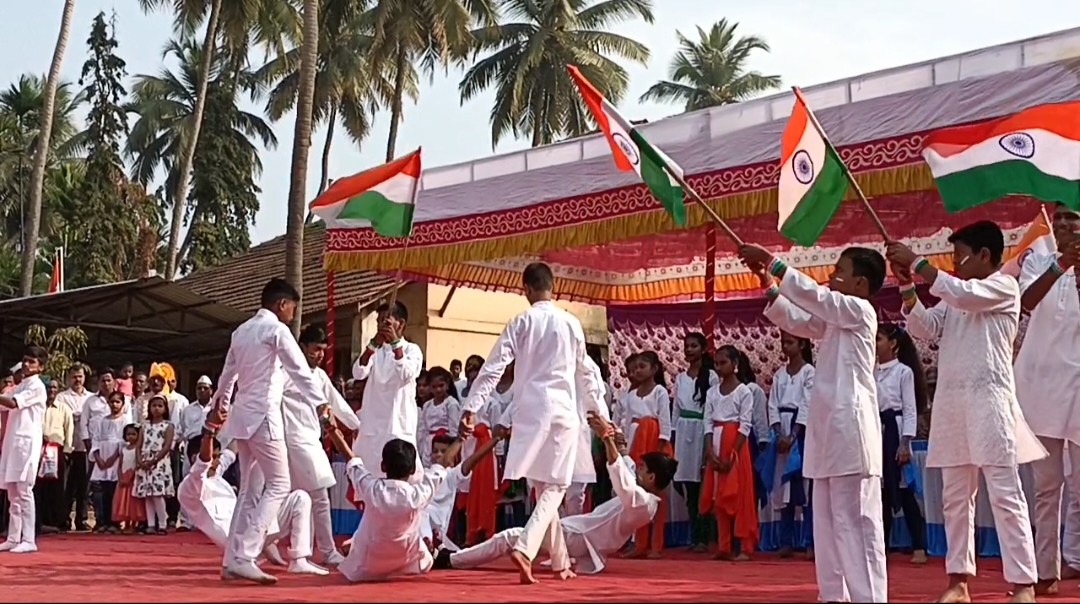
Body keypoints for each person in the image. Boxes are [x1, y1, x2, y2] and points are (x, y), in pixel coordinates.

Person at [888, 221, 1044, 603]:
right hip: (954, 406)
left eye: (960, 256)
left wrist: (918, 262)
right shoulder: (955, 298)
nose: (956, 263)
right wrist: (907, 285)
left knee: (1007, 495)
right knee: (956, 498)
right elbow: (926, 328)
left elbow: (960, 293)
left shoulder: (1004, 287)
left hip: (991, 404)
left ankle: (1024, 583)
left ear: (985, 256)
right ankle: (958, 580)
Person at [741, 243, 888, 603]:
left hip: (851, 432)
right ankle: (833, 596)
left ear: (861, 284)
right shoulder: (836, 319)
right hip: (826, 433)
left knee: (855, 521)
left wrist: (775, 263)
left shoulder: (859, 311)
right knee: (824, 522)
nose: (832, 276)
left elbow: (818, 299)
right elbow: (799, 320)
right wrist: (768, 283)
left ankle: (869, 598)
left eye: (840, 271)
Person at [459, 262, 607, 584]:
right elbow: (587, 373)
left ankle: (560, 562)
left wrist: (472, 406)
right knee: (555, 486)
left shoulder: (521, 321)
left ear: (525, 288)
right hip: (561, 410)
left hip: (529, 410)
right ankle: (526, 547)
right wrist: (600, 414)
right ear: (553, 288)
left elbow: (494, 366)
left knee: (544, 487)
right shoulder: (570, 323)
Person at [437, 412, 677, 575]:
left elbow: (623, 481)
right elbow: (627, 466)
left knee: (510, 537)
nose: (638, 470)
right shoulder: (643, 493)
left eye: (643, 469)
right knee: (524, 529)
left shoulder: (644, 504)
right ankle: (455, 557)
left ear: (652, 478)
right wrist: (619, 443)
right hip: (577, 534)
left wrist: (606, 439)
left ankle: (450, 560)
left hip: (579, 539)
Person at [213, 278, 330, 584]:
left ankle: (231, 559)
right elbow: (299, 370)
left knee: (250, 491)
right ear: (282, 304)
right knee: (279, 483)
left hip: (242, 417)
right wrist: (319, 403)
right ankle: (245, 555)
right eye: (292, 306)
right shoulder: (277, 330)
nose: (293, 312)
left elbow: (228, 375)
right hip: (264, 415)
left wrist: (219, 404)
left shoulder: (241, 331)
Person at [1013, 203, 1080, 594]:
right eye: (1060, 221)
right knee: (1047, 485)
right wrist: (1062, 267)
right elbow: (1026, 303)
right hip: (1041, 388)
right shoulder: (1040, 259)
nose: (1065, 226)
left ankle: (1075, 558)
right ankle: (1045, 570)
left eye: (1073, 219)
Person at [178, 405, 327, 577]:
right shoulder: (189, 487)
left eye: (217, 457)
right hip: (234, 540)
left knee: (300, 498)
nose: (217, 461)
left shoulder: (216, 474)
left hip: (253, 529)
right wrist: (210, 429)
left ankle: (299, 559)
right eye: (214, 457)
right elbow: (203, 462)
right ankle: (242, 558)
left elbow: (231, 451)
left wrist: (245, 417)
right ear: (194, 458)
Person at [284, 323, 361, 567]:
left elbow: (337, 403)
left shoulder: (319, 376)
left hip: (311, 440)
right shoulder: (286, 371)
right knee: (317, 497)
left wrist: (358, 426)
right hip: (292, 439)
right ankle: (324, 551)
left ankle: (296, 551)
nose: (319, 354)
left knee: (302, 499)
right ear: (302, 347)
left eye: (323, 350)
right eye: (315, 349)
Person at [330, 427, 447, 582]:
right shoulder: (417, 494)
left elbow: (350, 458)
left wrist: (331, 430)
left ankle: (353, 545)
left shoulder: (372, 489)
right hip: (406, 559)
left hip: (368, 566)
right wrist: (460, 438)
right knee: (426, 560)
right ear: (412, 470)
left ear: (383, 466)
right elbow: (441, 466)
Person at [350, 301, 425, 487]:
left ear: (401, 323)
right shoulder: (375, 350)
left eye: (387, 321)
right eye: (380, 321)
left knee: (401, 480)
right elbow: (358, 373)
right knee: (370, 481)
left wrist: (395, 344)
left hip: (397, 424)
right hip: (373, 426)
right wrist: (373, 345)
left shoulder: (412, 350)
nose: (382, 325)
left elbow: (405, 374)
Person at [875, 323, 929, 564]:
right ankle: (881, 546)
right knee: (881, 492)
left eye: (879, 339)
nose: (875, 344)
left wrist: (905, 442)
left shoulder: (903, 372)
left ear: (893, 343)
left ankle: (919, 545)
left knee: (904, 490)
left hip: (895, 431)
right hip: (877, 430)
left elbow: (909, 409)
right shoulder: (871, 371)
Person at [702, 345, 759, 561]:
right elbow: (707, 422)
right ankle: (724, 545)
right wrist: (709, 450)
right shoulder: (711, 392)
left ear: (735, 365)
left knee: (740, 492)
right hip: (716, 441)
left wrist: (732, 454)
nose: (718, 367)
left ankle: (745, 545)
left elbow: (745, 425)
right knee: (719, 493)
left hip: (735, 445)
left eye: (723, 363)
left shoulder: (744, 391)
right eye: (716, 363)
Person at [619, 350, 672, 559]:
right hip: (636, 443)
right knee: (637, 494)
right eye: (636, 367)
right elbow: (627, 422)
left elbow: (665, 424)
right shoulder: (631, 395)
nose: (638, 371)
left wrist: (659, 453)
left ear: (654, 369)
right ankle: (639, 543)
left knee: (656, 495)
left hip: (654, 443)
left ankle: (656, 545)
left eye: (643, 366)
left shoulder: (660, 392)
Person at [768, 332, 815, 558]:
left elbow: (807, 405)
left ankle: (810, 541)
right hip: (782, 431)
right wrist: (778, 433)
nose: (785, 347)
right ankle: (785, 540)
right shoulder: (779, 374)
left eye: (790, 342)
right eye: (783, 343)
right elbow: (772, 404)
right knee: (783, 486)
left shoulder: (809, 372)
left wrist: (794, 435)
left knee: (805, 486)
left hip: (802, 432)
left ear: (802, 343)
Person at [0, 346, 49, 553]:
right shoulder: (20, 385)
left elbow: (11, 403)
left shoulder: (37, 386)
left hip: (27, 444)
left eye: (32, 361)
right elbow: (4, 403)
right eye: (25, 360)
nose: (27, 365)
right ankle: (13, 536)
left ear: (41, 366)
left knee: (24, 490)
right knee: (12, 492)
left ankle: (29, 538)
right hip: (12, 442)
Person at [423, 430, 505, 551]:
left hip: (436, 536)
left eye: (444, 452)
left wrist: (495, 439)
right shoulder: (422, 473)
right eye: (435, 451)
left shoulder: (451, 475)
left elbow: (473, 459)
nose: (439, 455)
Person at [671, 333, 716, 553]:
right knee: (687, 483)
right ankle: (693, 534)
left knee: (702, 483)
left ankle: (704, 536)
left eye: (694, 346)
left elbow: (712, 407)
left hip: (702, 430)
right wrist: (672, 433)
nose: (689, 350)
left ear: (703, 348)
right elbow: (676, 409)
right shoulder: (680, 378)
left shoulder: (712, 377)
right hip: (683, 430)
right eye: (687, 346)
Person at [55, 364, 93, 532]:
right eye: (74, 376)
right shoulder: (61, 398)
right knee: (67, 486)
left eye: (80, 376)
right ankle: (63, 519)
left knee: (84, 487)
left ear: (85, 378)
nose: (77, 380)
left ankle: (82, 519)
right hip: (68, 447)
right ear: (68, 378)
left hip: (86, 448)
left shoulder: (91, 398)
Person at [135, 394, 175, 534]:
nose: (156, 409)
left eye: (160, 406)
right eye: (154, 406)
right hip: (145, 462)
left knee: (158, 494)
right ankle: (151, 524)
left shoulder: (168, 426)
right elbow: (139, 445)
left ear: (165, 409)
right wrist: (140, 460)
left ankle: (162, 524)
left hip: (159, 462)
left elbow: (167, 446)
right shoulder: (144, 426)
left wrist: (154, 460)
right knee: (148, 495)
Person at [37, 379, 73, 534]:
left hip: (56, 451)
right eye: (48, 387)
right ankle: (40, 520)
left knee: (56, 488)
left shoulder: (64, 408)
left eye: (54, 387)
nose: (51, 390)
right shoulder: (38, 407)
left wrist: (67, 451)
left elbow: (69, 430)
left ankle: (55, 521)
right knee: (39, 487)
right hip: (38, 450)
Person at [89, 391, 129, 533]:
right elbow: (96, 440)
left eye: (117, 402)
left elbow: (126, 441)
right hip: (102, 459)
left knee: (114, 492)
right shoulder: (103, 421)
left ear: (123, 404)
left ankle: (115, 522)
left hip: (117, 459)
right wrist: (98, 458)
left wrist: (113, 458)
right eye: (112, 402)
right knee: (101, 492)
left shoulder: (125, 420)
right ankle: (102, 521)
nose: (114, 405)